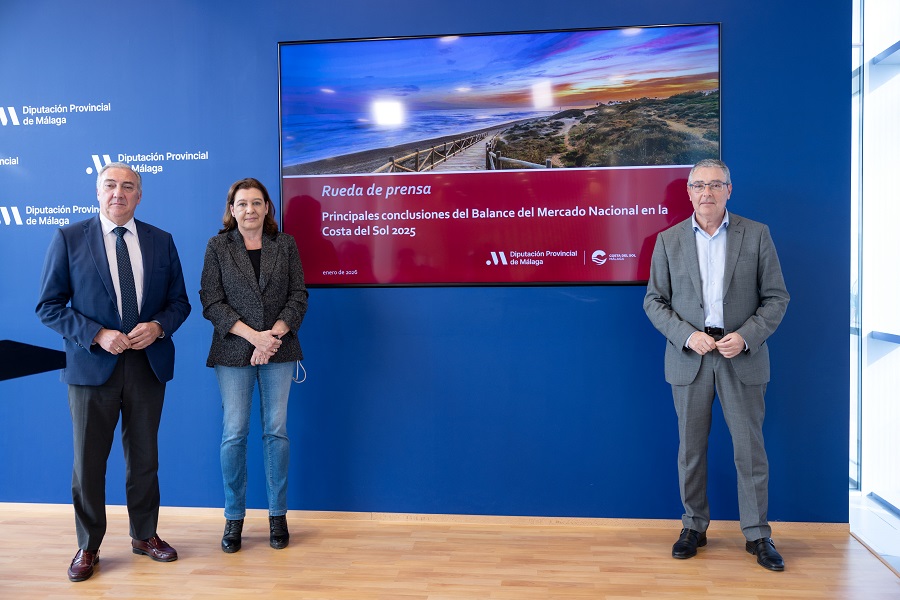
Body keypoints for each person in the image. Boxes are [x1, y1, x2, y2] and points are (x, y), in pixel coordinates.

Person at [36, 162, 191, 582]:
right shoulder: (69, 238)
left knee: (144, 458)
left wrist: (158, 327)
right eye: (110, 185)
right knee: (88, 463)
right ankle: (88, 546)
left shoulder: (161, 240)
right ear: (98, 192)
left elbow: (180, 302)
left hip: (147, 365)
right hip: (91, 368)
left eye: (127, 186)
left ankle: (144, 535)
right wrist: (97, 334)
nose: (118, 193)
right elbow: (48, 306)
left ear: (139, 195)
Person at [643, 158, 790, 571]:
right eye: (698, 185)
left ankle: (758, 535)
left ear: (729, 190)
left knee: (750, 451)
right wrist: (687, 335)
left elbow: (776, 298)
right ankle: (693, 527)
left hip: (740, 356)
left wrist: (746, 336)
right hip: (690, 357)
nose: (706, 192)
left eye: (715, 184)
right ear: (689, 192)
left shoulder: (756, 234)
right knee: (690, 451)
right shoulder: (668, 240)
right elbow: (654, 301)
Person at [200, 177, 308, 553]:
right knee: (234, 433)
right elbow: (211, 301)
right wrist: (254, 338)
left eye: (257, 203)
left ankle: (278, 516)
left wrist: (272, 336)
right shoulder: (217, 246)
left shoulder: (285, 244)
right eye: (243, 203)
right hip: (233, 351)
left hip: (279, 348)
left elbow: (298, 295)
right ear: (232, 210)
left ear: (267, 208)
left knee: (276, 432)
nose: (250, 209)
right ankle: (234, 518)